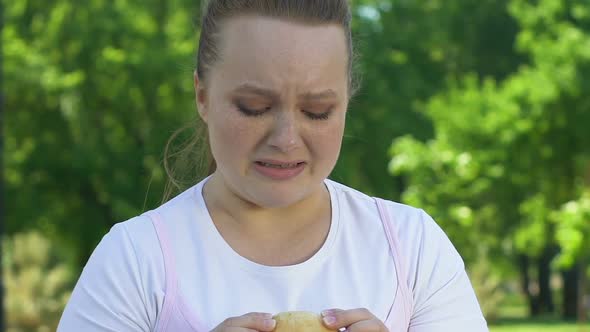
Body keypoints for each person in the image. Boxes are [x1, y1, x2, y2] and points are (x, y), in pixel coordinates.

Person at [57, 1, 488, 331]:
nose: (285, 139)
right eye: (254, 107)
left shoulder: (412, 250)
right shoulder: (134, 261)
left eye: (317, 111)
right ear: (202, 96)